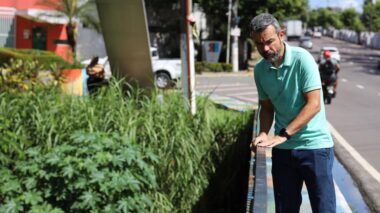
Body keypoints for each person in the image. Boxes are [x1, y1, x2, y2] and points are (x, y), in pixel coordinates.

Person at [249, 13, 336, 213]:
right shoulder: (260, 70)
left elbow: (313, 104)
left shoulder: (302, 59)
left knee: (324, 209)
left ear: (281, 35)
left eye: (269, 41)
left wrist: (283, 134)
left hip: (315, 147)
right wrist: (263, 133)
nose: (265, 49)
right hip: (283, 152)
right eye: (259, 44)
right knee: (285, 209)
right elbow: (267, 107)